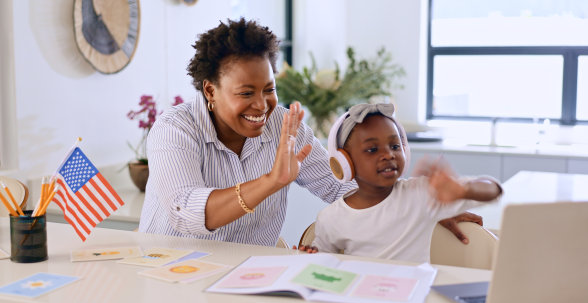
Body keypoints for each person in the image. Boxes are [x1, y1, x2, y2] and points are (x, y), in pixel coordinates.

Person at [139, 18, 482, 247]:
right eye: (246, 93)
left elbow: (342, 185)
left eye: (269, 89)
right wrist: (271, 181)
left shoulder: (284, 125)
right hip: (171, 272)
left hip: (246, 275)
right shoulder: (175, 129)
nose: (261, 105)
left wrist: (423, 207)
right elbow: (186, 213)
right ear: (210, 91)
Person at [300, 103, 502, 262]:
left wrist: (463, 189)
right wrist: (309, 255)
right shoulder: (331, 218)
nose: (388, 155)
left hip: (413, 301)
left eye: (395, 146)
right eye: (372, 149)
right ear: (345, 163)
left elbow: (494, 189)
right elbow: (322, 261)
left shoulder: (422, 194)